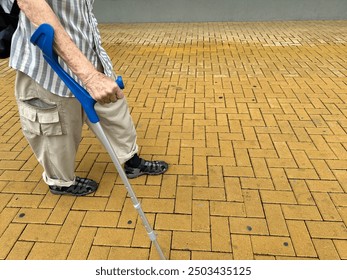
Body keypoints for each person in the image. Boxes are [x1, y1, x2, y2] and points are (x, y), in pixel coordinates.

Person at [8, 0, 168, 196]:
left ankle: (131, 160)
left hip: (90, 58)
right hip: (46, 68)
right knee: (56, 130)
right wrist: (89, 76)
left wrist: (93, 71)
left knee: (115, 110)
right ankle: (61, 182)